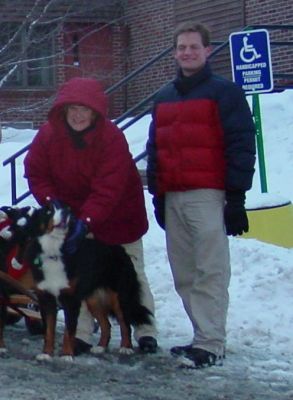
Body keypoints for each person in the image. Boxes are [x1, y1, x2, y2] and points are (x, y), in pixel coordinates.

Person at [146, 22, 256, 368]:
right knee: (185, 271)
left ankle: (211, 342)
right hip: (174, 195)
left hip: (209, 194)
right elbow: (155, 148)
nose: (187, 53)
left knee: (210, 269)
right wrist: (158, 195)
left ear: (207, 51)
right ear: (175, 53)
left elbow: (241, 143)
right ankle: (200, 336)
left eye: (194, 47)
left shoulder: (225, 93)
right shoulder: (163, 97)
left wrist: (235, 198)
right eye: (181, 47)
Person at [24, 77, 158, 354]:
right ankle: (83, 333)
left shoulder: (111, 139)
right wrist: (53, 202)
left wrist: (86, 221)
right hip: (74, 215)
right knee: (82, 274)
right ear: (63, 109)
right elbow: (35, 172)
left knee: (130, 273)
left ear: (96, 111)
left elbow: (109, 188)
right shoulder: (49, 135)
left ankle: (145, 329)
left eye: (84, 109)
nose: (78, 115)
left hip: (119, 214)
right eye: (72, 108)